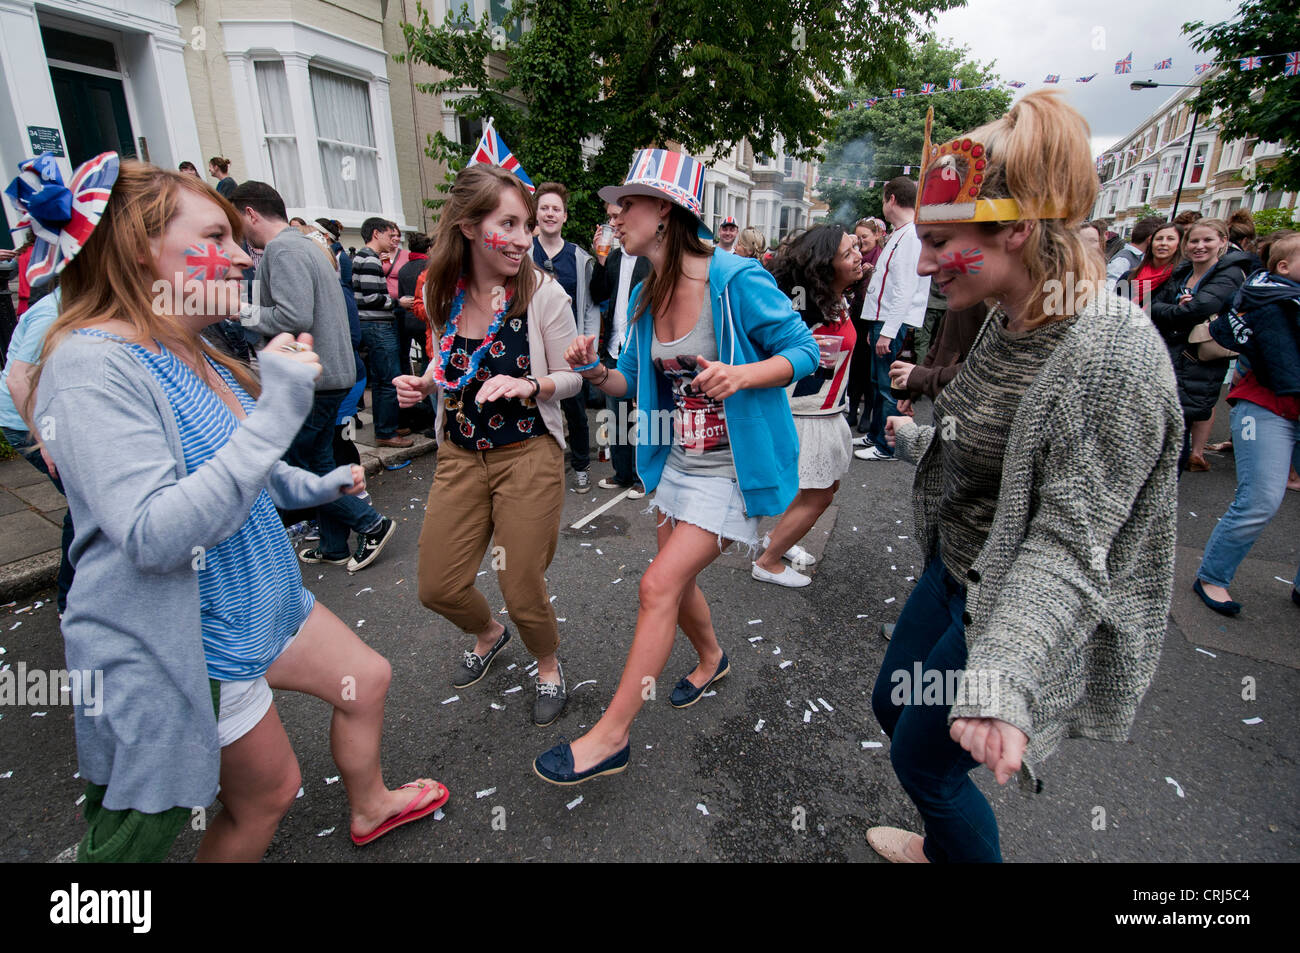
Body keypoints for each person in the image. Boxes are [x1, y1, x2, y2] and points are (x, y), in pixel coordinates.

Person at [30, 157, 446, 861]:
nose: (239, 258)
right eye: (215, 239)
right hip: (198, 638)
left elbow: (246, 473)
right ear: (141, 250)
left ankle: (371, 805)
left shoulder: (196, 349)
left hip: (265, 597)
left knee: (367, 678)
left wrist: (315, 487)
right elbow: (153, 533)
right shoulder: (92, 365)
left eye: (237, 240)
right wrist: (280, 405)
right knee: (267, 796)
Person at [865, 93, 1181, 863]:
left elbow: (1070, 543)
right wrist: (924, 441)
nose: (928, 263)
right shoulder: (1010, 308)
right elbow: (1005, 448)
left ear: (1018, 229)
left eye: (943, 242)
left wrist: (1002, 683)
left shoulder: (1110, 355)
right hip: (954, 567)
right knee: (892, 701)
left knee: (924, 762)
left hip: (1006, 601)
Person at [535, 147, 819, 785]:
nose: (614, 213)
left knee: (658, 586)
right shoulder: (644, 287)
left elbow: (803, 352)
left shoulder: (736, 278)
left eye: (627, 202)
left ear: (664, 212)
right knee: (678, 582)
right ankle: (712, 657)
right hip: (679, 461)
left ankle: (611, 736)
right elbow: (630, 384)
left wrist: (742, 373)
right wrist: (588, 370)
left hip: (732, 468)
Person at [395, 164, 580, 728]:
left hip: (527, 453)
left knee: (520, 578)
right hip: (458, 454)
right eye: (511, 224)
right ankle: (488, 633)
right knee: (437, 585)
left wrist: (532, 384)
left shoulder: (543, 293)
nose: (524, 239)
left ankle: (548, 665)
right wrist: (427, 381)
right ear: (471, 227)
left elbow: (575, 376)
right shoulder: (440, 289)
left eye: (527, 225)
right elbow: (449, 356)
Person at [231, 180, 398, 572]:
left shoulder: (282, 249)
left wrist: (238, 311)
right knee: (319, 458)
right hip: (330, 371)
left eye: (234, 219)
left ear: (250, 213)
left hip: (313, 375)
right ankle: (333, 544)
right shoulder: (306, 244)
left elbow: (293, 318)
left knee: (306, 465)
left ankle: (370, 523)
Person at [1193, 232, 1300, 615]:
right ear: (1284, 267)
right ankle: (1213, 577)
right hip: (1267, 406)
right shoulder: (1264, 299)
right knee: (1261, 499)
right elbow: (1231, 332)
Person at [752, 224, 861, 587]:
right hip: (807, 415)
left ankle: (776, 542)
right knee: (818, 495)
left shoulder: (836, 299)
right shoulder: (803, 310)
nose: (858, 256)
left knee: (820, 490)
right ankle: (766, 562)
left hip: (826, 411)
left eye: (857, 247)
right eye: (847, 254)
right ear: (824, 267)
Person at [1150, 218, 1251, 472]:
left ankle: (1169, 490)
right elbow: (1153, 305)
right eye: (1194, 240)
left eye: (1208, 240)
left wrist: (1176, 310)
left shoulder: (1229, 273)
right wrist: (1176, 309)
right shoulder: (1183, 271)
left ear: (1223, 242)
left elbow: (1199, 308)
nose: (1199, 246)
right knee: (1161, 428)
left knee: (1179, 428)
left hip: (1199, 362)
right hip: (1170, 355)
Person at [2, 285, 75, 613]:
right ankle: (70, 602)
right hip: (25, 422)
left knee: (89, 508)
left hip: (53, 414)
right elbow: (18, 379)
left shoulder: (79, 304)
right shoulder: (52, 312)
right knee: (88, 509)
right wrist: (44, 440)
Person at [854, 177, 930, 461]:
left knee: (888, 386)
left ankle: (888, 446)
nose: (883, 205)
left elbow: (904, 288)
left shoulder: (911, 236)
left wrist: (887, 331)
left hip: (894, 323)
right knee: (877, 383)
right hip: (883, 321)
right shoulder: (902, 233)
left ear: (893, 200)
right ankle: (875, 435)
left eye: (885, 199)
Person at [531, 182, 600, 493]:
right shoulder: (522, 252)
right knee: (532, 407)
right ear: (535, 214)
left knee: (575, 411)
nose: (550, 213)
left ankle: (582, 466)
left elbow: (590, 306)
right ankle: (536, 469)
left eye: (555, 209)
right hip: (531, 345)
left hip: (569, 348)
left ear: (564, 217)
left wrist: (589, 342)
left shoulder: (579, 257)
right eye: (544, 207)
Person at [590, 201, 651, 495]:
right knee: (617, 416)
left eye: (619, 215)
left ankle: (644, 476)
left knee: (645, 417)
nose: (614, 222)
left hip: (641, 350)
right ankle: (623, 474)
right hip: (614, 349)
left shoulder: (649, 259)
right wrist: (600, 263)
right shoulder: (612, 258)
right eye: (611, 217)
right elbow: (597, 294)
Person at [352, 217, 412, 448]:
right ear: (376, 234)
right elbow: (372, 298)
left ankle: (386, 425)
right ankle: (386, 432)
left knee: (380, 381)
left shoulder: (363, 256)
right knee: (389, 379)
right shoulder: (369, 259)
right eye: (390, 236)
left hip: (371, 324)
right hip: (378, 325)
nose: (393, 241)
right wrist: (399, 302)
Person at [845, 217, 884, 428]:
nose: (861, 241)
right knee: (855, 366)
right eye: (858, 237)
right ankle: (852, 411)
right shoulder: (855, 257)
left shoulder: (882, 257)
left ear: (876, 236)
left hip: (874, 317)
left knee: (870, 368)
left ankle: (868, 413)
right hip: (856, 314)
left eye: (865, 236)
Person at [1116, 222, 1182, 309]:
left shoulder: (1180, 280)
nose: (1163, 243)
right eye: (1159, 239)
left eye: (1170, 239)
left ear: (1179, 244)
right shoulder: (1129, 276)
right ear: (1151, 243)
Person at [1106, 217, 1163, 292]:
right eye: (1160, 238)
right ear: (1150, 239)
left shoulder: (1142, 258)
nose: (1163, 243)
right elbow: (1110, 290)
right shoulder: (1123, 260)